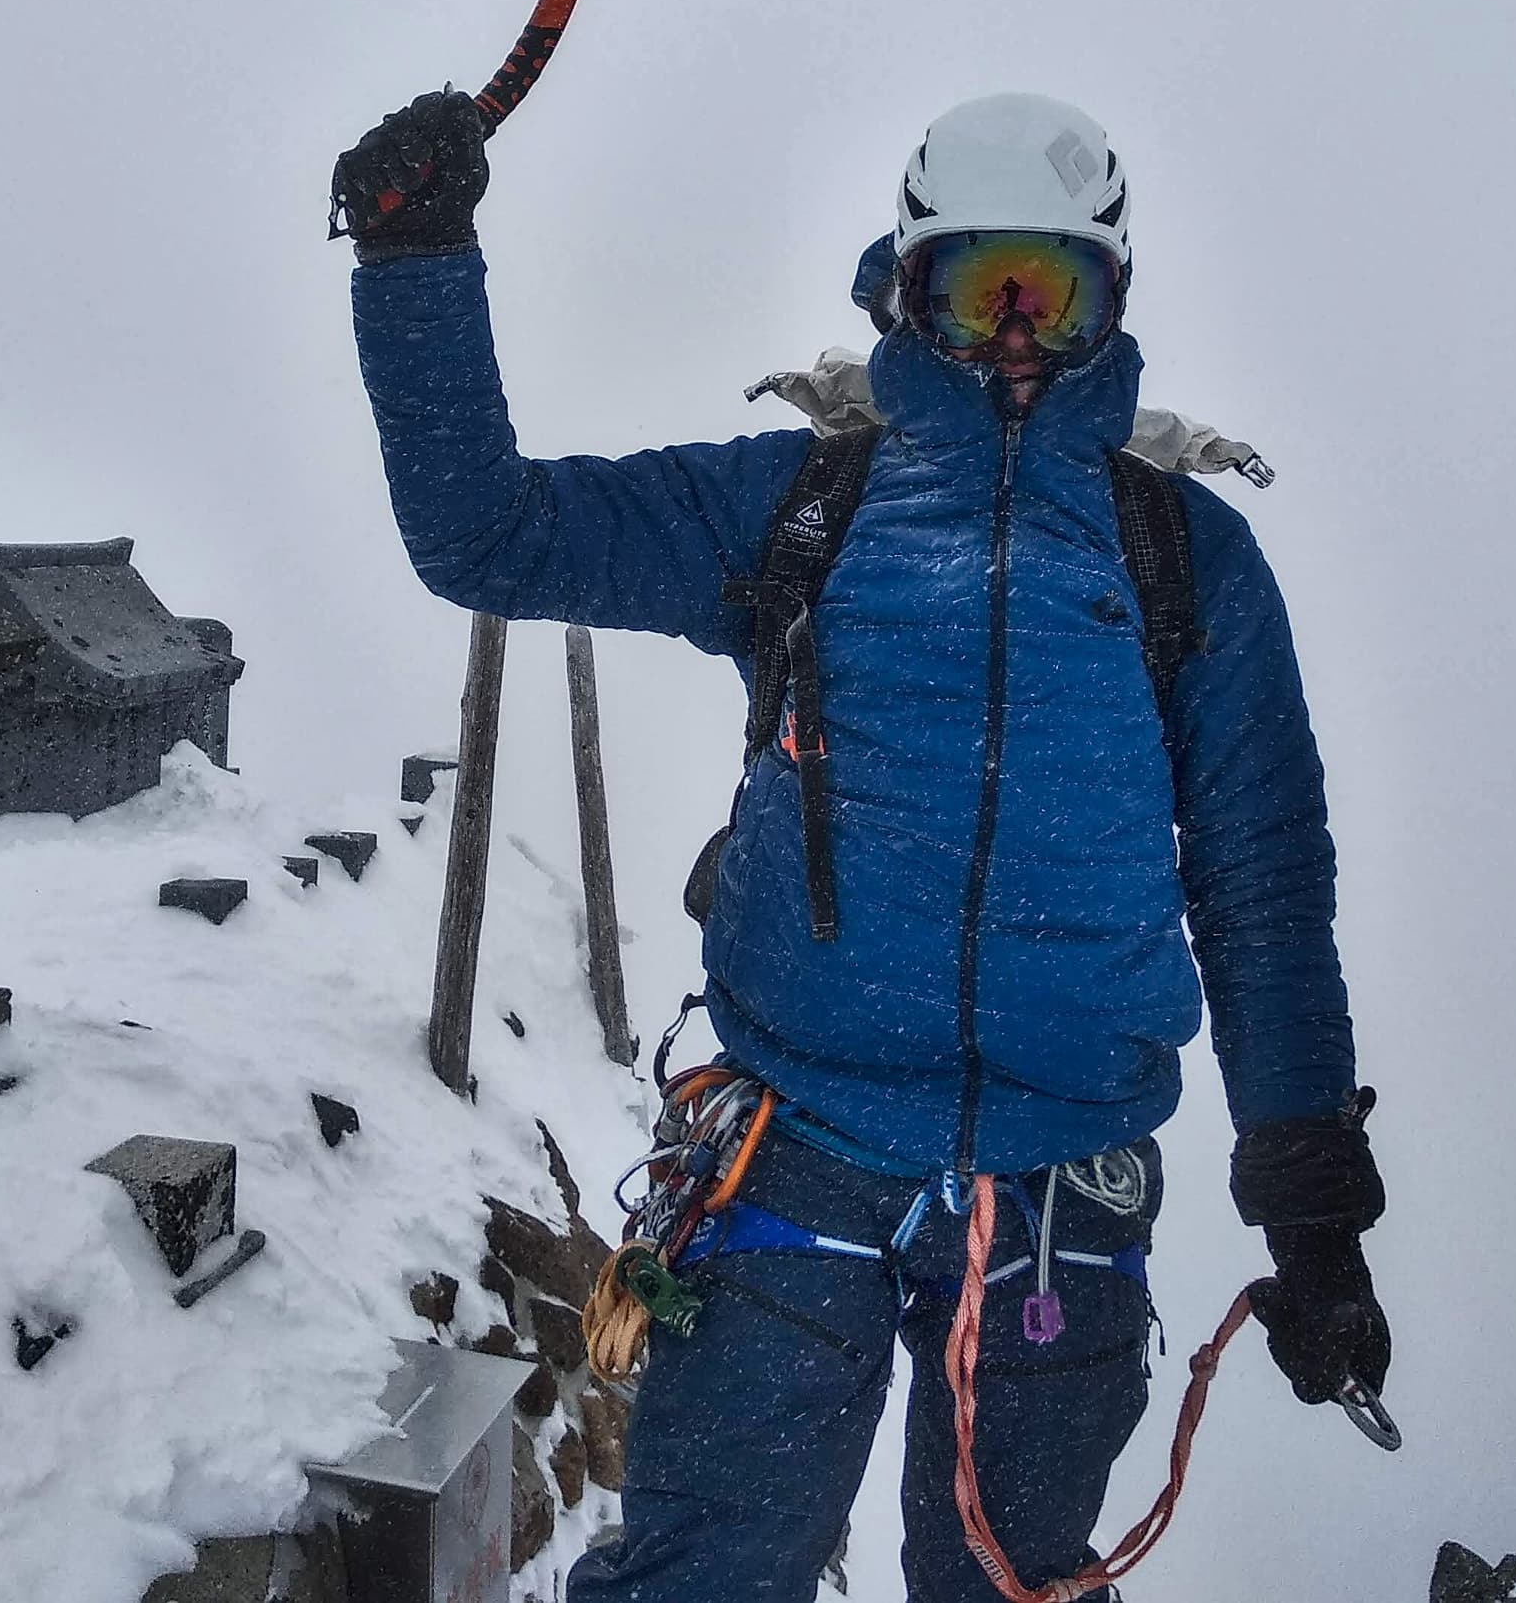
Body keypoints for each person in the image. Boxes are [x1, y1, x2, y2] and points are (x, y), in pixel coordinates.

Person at [333, 89, 1389, 1603]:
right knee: (704, 1580)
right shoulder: (801, 509)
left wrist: (1316, 1223)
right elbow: (488, 537)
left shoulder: (1188, 560)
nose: (1014, 334)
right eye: (977, 287)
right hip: (796, 1154)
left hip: (1057, 1195)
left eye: (1054, 288)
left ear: (1115, 298)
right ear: (905, 287)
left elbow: (1267, 893)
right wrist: (415, 263)